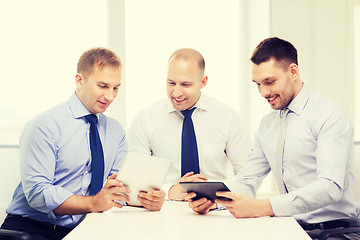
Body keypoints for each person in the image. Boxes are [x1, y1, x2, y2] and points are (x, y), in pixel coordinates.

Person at [186, 37, 360, 239]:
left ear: (293, 72)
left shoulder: (329, 114)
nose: (263, 92)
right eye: (257, 84)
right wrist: (213, 199)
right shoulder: (268, 125)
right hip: (290, 228)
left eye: (269, 82)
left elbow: (331, 187)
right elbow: (248, 179)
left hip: (337, 230)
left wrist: (265, 206)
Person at [0, 47, 165, 240]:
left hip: (86, 228)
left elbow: (117, 188)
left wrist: (145, 199)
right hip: (33, 229)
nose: (110, 96)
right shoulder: (45, 125)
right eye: (103, 86)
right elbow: (37, 193)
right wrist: (94, 203)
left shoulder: (115, 131)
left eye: (116, 87)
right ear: (80, 80)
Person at [127, 48, 252, 201]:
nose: (176, 93)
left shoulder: (227, 118)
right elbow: (134, 181)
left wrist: (219, 199)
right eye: (171, 83)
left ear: (203, 82)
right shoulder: (146, 119)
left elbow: (249, 177)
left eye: (185, 85)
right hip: (162, 214)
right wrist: (170, 191)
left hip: (215, 212)